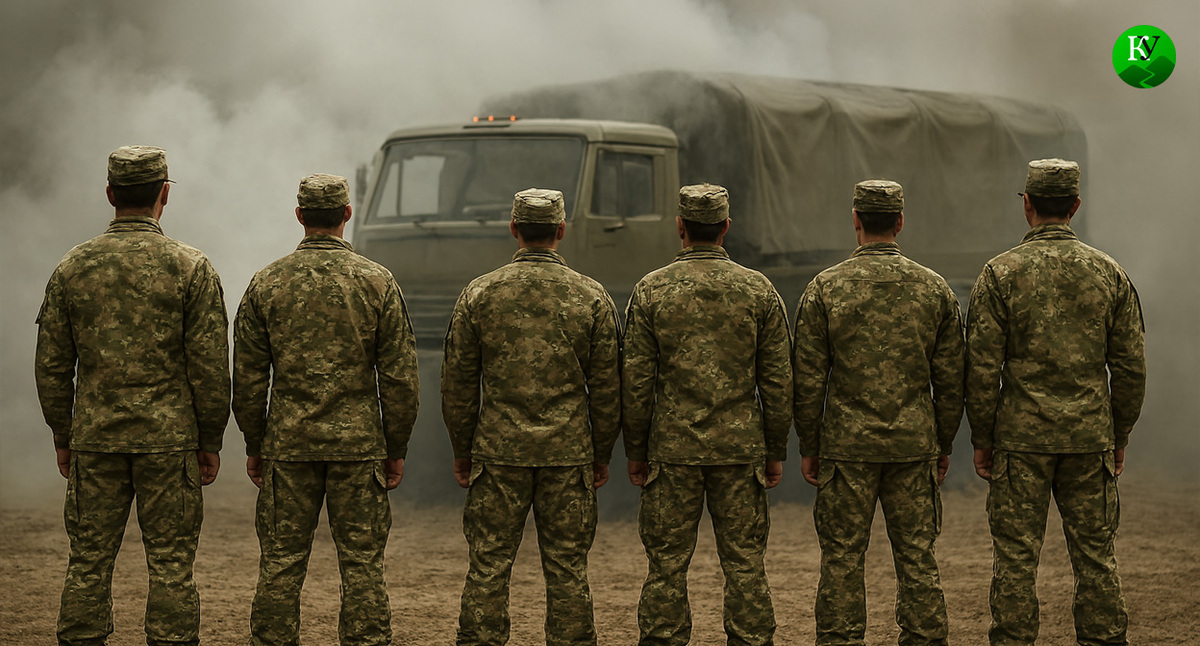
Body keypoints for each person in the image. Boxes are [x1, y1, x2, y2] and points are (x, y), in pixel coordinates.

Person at [34, 145, 230, 646]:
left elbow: (52, 365)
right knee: (171, 563)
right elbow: (209, 368)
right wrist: (210, 439)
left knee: (88, 560)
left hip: (95, 440)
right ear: (165, 194)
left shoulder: (72, 267)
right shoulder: (191, 267)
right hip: (170, 443)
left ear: (110, 194)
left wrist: (63, 433)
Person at [232, 173, 420, 646]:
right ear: (347, 214)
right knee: (362, 564)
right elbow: (399, 378)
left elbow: (249, 379)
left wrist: (255, 443)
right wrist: (395, 446)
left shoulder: (267, 282)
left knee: (280, 562)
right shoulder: (378, 282)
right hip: (359, 449)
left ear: (299, 216)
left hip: (288, 446)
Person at [967, 159, 1146, 646]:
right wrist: (1119, 434)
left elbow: (981, 368)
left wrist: (982, 438)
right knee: (1096, 558)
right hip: (1089, 439)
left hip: (1019, 442)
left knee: (1015, 560)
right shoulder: (1109, 273)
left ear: (1027, 204)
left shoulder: (999, 274)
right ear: (1075, 206)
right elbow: (1130, 368)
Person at [441, 188, 621, 646]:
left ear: (514, 229)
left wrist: (463, 449)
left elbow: (458, 384)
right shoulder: (591, 297)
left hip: (498, 454)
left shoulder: (479, 294)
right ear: (561, 230)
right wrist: (601, 453)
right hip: (568, 455)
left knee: (488, 563)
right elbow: (608, 389)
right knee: (567, 567)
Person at [792, 179, 964, 645]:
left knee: (842, 557)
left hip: (847, 449)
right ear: (900, 222)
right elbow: (951, 380)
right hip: (913, 445)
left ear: (855, 220)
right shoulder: (935, 289)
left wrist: (809, 444)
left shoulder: (825, 288)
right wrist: (944, 442)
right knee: (917, 556)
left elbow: (807, 379)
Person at [622, 183, 791, 646]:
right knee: (745, 563)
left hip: (672, 452)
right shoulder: (758, 290)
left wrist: (635, 450)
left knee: (666, 565)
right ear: (726, 227)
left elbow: (635, 382)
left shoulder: (651, 290)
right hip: (740, 451)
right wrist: (775, 449)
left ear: (680, 226)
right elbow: (777, 381)